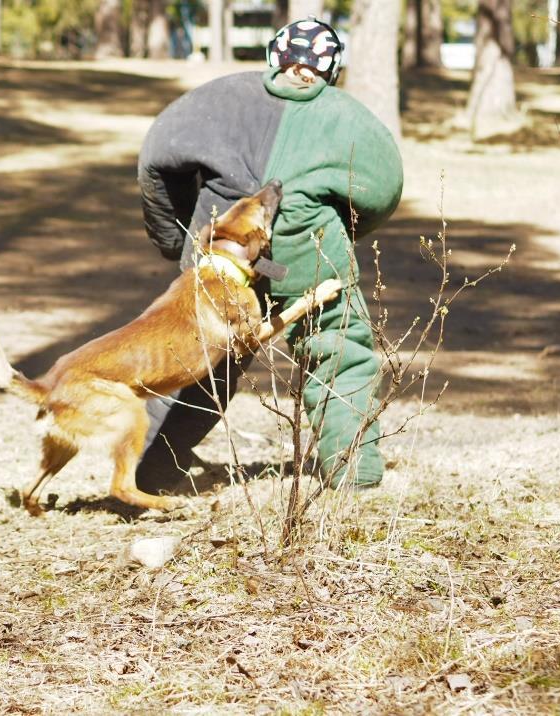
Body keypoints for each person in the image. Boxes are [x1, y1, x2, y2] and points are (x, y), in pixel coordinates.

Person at [135, 17, 404, 492]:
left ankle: (146, 471)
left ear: (275, 56)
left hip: (221, 242)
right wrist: (342, 229)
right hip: (307, 248)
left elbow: (156, 160)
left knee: (194, 357)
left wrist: (178, 239)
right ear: (332, 68)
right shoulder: (349, 117)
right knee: (338, 349)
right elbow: (383, 190)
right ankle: (354, 475)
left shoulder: (217, 98)